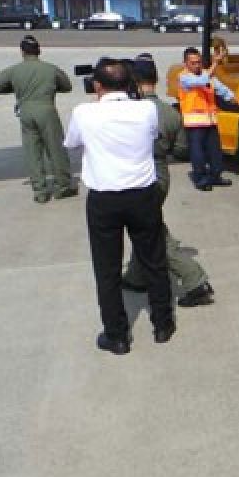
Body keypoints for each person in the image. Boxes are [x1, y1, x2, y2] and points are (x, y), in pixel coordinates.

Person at [64, 59, 175, 355]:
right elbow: (153, 136)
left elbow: (71, 143)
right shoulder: (146, 109)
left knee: (107, 269)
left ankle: (117, 335)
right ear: (130, 84)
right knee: (154, 259)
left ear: (97, 86)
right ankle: (163, 323)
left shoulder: (84, 112)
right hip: (142, 194)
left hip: (105, 199)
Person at [121, 55, 215, 308]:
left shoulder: (131, 111)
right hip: (161, 171)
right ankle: (136, 276)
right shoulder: (170, 113)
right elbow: (182, 149)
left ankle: (195, 280)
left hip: (139, 174)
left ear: (134, 81)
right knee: (145, 225)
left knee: (152, 232)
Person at [0, 36, 76, 203]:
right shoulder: (50, 69)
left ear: (22, 52)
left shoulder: (14, 71)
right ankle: (62, 186)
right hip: (46, 109)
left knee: (33, 152)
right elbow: (67, 86)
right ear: (39, 50)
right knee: (55, 149)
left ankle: (40, 191)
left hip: (25, 111)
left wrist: (14, 87)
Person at [177, 46, 239, 191]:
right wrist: (215, 62)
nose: (197, 65)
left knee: (215, 151)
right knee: (197, 153)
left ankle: (215, 176)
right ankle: (201, 179)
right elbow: (200, 81)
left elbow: (223, 90)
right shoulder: (184, 77)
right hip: (194, 124)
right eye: (193, 63)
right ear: (185, 63)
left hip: (210, 121)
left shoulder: (207, 75)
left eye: (198, 62)